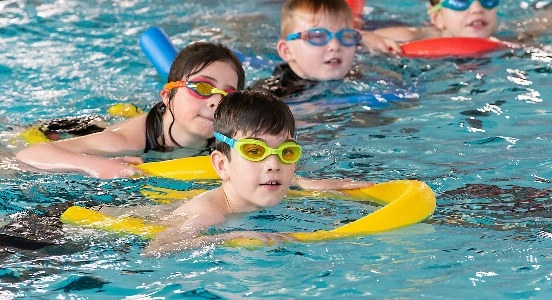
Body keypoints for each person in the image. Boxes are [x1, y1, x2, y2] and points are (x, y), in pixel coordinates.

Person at [98, 91, 323, 255]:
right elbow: (156, 249)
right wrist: (230, 238)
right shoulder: (208, 215)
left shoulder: (256, 190)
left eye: (287, 152)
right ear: (222, 165)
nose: (274, 164)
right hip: (99, 236)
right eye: (254, 150)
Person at [16, 41, 245, 179]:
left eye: (229, 95)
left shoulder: (230, 135)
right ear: (167, 96)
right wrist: (99, 165)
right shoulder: (128, 140)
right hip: (83, 129)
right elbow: (30, 154)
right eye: (202, 87)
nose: (216, 101)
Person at [361, 0, 552, 54]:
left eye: (487, 0)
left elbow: (548, 21)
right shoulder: (411, 36)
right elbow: (350, 37)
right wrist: (366, 38)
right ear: (437, 19)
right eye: (460, 2)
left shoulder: (505, 36)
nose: (476, 9)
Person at [252, 0, 363, 98]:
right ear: (287, 51)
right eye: (318, 36)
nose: (335, 46)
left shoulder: (356, 77)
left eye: (345, 36)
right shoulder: (271, 96)